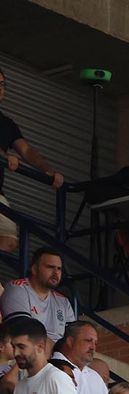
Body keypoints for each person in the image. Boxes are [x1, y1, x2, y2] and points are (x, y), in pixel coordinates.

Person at [0, 70, 65, 252]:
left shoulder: (6, 123)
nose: (0, 88)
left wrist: (47, 169)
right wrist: (5, 157)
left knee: (9, 240)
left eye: (2, 84)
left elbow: (27, 150)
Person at [2, 247, 74, 341]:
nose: (56, 272)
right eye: (50, 267)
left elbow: (74, 338)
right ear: (35, 269)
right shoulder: (18, 288)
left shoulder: (63, 302)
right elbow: (23, 331)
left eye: (59, 269)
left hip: (59, 353)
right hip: (33, 349)